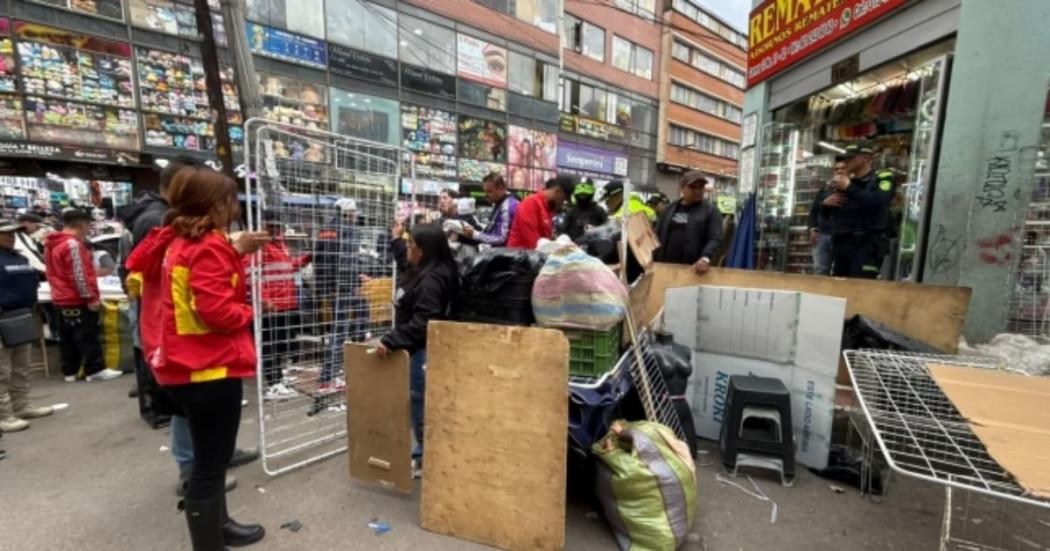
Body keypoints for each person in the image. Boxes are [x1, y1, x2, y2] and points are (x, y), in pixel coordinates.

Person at [134, 166, 267, 550]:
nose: (237, 205)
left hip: (185, 367)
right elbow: (217, 311)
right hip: (208, 368)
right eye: (232, 198)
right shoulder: (207, 244)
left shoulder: (175, 239)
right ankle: (209, 542)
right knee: (211, 463)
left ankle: (220, 525)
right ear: (216, 204)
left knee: (211, 458)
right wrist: (250, 313)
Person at [376, 223, 460, 477]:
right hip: (414, 349)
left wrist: (391, 340)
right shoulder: (422, 269)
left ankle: (426, 457)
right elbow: (404, 263)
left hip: (422, 352)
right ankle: (423, 452)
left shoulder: (432, 281)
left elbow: (424, 322)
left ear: (422, 251)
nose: (409, 250)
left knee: (421, 404)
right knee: (418, 403)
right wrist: (396, 240)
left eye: (411, 245)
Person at [45, 208, 123, 383]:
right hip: (75, 298)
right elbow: (78, 274)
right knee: (87, 335)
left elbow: (54, 272)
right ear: (82, 224)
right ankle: (95, 369)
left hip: (60, 297)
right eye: (89, 226)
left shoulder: (51, 243)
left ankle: (70, 371)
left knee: (67, 337)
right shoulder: (72, 244)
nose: (89, 231)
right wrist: (90, 297)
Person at [0, 219, 53, 433]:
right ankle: (4, 415)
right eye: (6, 234)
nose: (11, 237)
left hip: (21, 316)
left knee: (21, 366)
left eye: (13, 234)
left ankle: (22, 406)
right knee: (2, 370)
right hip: (2, 318)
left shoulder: (20, 257)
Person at [255, 211, 310, 401]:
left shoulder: (280, 244)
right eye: (271, 226)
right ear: (264, 225)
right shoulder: (260, 246)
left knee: (280, 343)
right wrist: (264, 299)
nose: (276, 229)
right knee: (270, 344)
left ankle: (277, 378)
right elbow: (255, 274)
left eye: (277, 226)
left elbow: (287, 267)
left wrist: (304, 260)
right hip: (272, 304)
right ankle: (272, 383)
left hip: (285, 301)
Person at [315, 197, 366, 394]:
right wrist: (351, 283)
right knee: (339, 332)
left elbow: (321, 259)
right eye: (353, 213)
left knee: (357, 314)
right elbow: (345, 261)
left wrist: (326, 287)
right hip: (343, 287)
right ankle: (328, 378)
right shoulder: (348, 230)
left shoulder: (326, 229)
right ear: (348, 213)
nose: (355, 216)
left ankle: (333, 373)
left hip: (334, 286)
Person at [825, 143, 898, 279]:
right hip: (842, 243)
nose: (847, 162)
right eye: (846, 158)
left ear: (865, 158)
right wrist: (826, 204)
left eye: (851, 158)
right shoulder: (845, 182)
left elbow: (878, 202)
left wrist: (849, 187)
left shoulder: (882, 177)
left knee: (861, 286)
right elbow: (830, 215)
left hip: (867, 244)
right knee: (838, 288)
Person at [653, 170, 723, 275]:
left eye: (700, 187)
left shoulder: (711, 211)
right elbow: (657, 234)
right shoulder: (669, 209)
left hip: (693, 270)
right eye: (692, 187)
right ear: (682, 188)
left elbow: (715, 238)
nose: (697, 191)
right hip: (665, 267)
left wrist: (705, 258)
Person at [507, 175, 576, 249]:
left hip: (533, 256)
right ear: (557, 192)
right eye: (563, 199)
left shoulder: (547, 209)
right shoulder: (531, 203)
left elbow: (544, 238)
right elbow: (532, 241)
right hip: (519, 257)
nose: (561, 203)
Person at [808, 160, 848, 275]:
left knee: (841, 272)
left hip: (842, 237)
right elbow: (814, 209)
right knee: (820, 270)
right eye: (836, 169)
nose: (839, 171)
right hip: (823, 235)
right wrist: (813, 229)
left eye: (843, 168)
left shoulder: (854, 188)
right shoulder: (826, 188)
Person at [461, 173, 518, 247]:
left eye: (489, 191)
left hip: (508, 253)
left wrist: (475, 234)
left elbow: (501, 238)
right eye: (485, 191)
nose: (486, 195)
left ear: (501, 188)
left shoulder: (508, 206)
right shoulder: (500, 203)